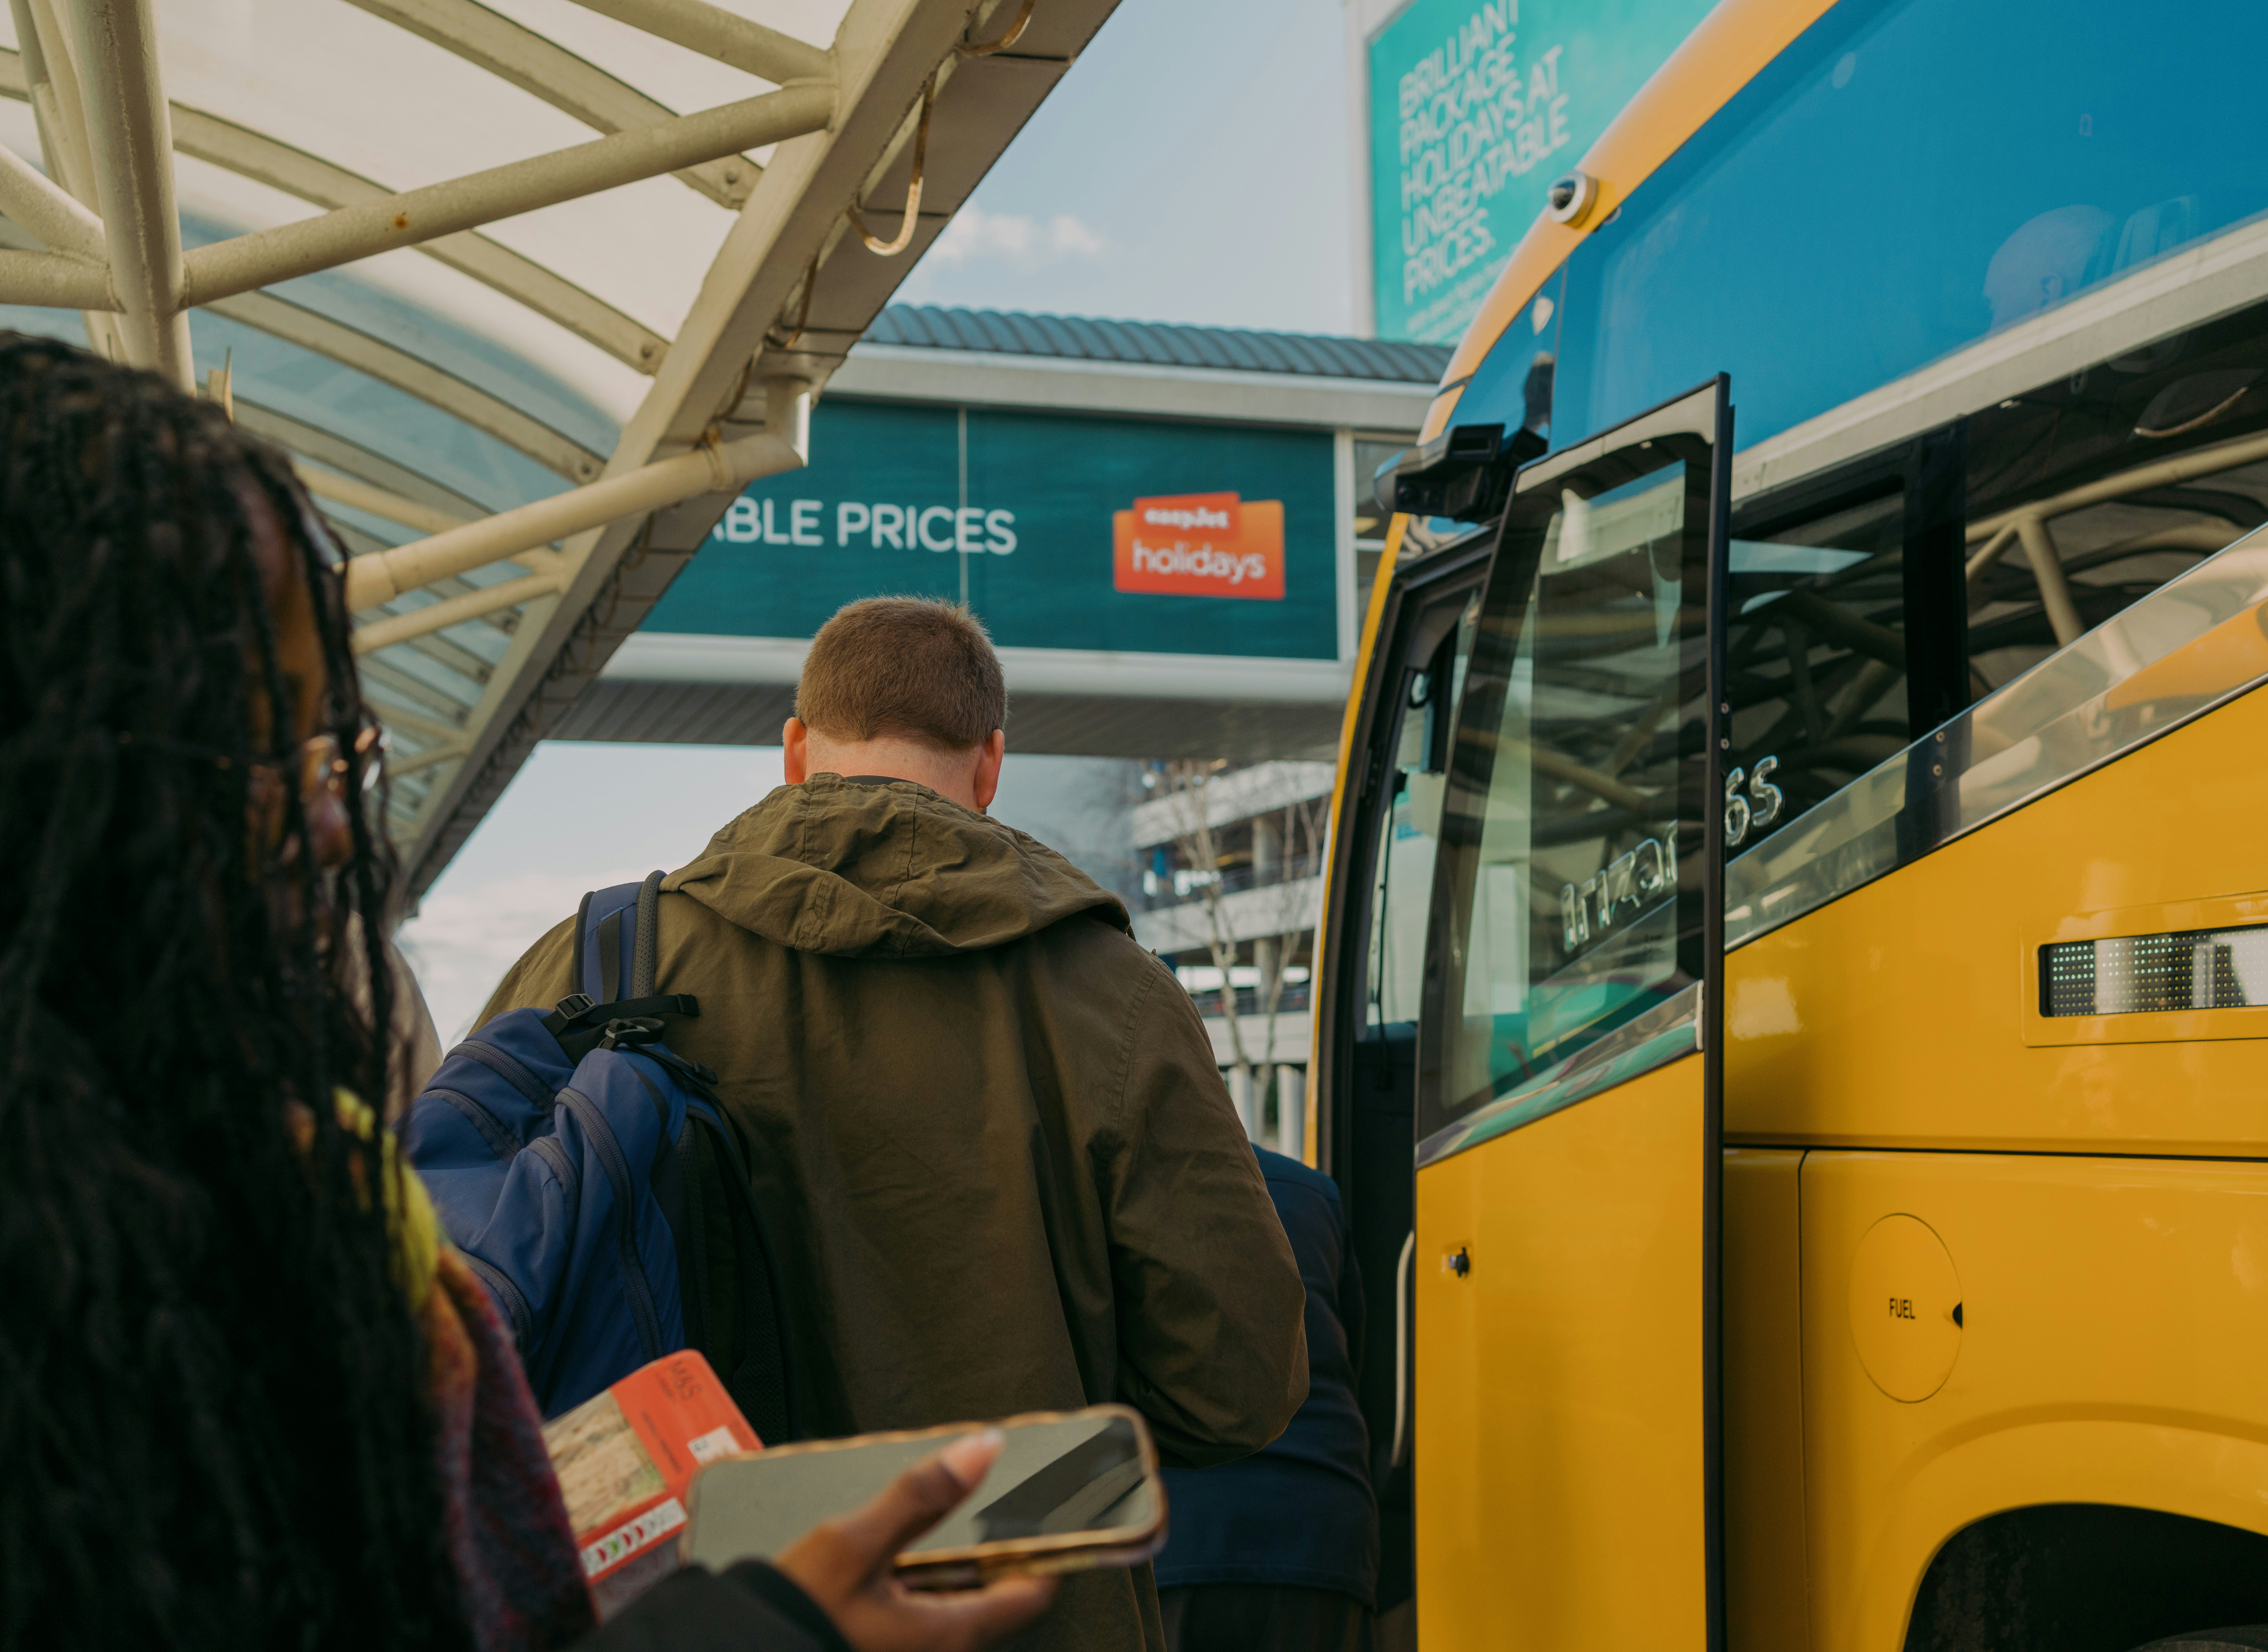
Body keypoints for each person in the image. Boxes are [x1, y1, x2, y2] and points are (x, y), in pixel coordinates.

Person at [0, 333, 1052, 1652]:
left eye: (338, 752)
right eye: (259, 750)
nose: (336, 833)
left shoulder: (540, 997)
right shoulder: (1107, 984)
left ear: (795, 750)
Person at [480, 596, 1310, 1652]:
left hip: (696, 1614)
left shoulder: (598, 964)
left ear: (796, 748)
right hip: (1022, 1614)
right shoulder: (1115, 993)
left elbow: (472, 1315)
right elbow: (1235, 1384)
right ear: (991, 761)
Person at [1153, 1146, 1378, 1652]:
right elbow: (1350, 1364)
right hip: (1322, 1531)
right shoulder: (1313, 1191)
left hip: (1178, 1534)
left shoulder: (1129, 1193)